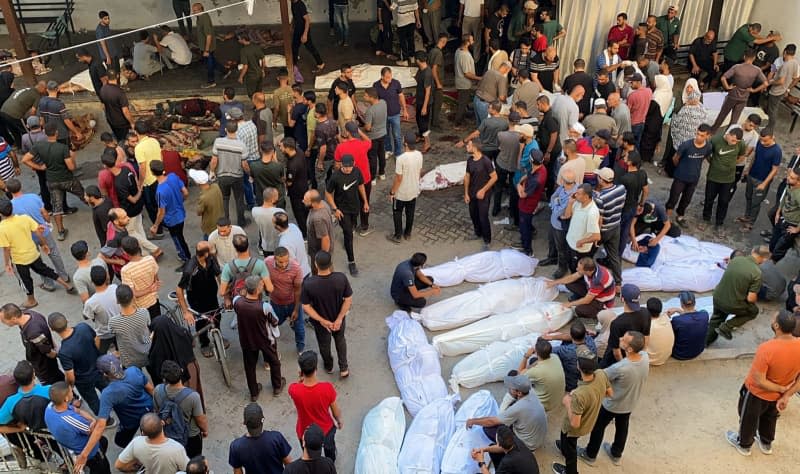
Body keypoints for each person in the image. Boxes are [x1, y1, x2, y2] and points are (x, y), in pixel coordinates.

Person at [726, 311, 800, 456]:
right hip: (778, 395)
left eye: (773, 319)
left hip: (756, 394)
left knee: (748, 418)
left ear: (777, 326)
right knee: (770, 417)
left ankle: (744, 445)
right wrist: (785, 394)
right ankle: (766, 443)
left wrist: (780, 389)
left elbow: (759, 380)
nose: (771, 320)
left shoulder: (766, 349)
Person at [580, 331, 649, 467]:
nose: (620, 338)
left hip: (612, 404)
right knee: (622, 427)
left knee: (598, 427)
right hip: (630, 402)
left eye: (624, 339)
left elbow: (599, 376)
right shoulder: (645, 357)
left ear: (629, 349)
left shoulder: (620, 368)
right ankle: (616, 453)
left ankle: (590, 454)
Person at [0, 202, 75, 308]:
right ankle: (67, 285)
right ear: (12, 209)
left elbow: (6, 249)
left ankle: (31, 300)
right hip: (33, 253)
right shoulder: (24, 218)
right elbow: (38, 232)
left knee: (26, 280)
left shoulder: (2, 228)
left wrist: (7, 263)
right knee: (45, 269)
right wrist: (44, 244)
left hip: (19, 259)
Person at [19, 122, 85, 241]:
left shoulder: (39, 146)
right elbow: (71, 167)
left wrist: (39, 167)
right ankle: (98, 207)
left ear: (45, 132)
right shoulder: (62, 148)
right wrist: (73, 159)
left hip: (52, 181)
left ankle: (60, 231)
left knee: (56, 207)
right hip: (67, 179)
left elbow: (24, 159)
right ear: (56, 133)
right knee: (83, 195)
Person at [466, 372, 547, 463]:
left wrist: (472, 421)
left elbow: (491, 421)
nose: (509, 389)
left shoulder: (519, 407)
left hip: (528, 445)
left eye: (512, 388)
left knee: (488, 428)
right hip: (538, 438)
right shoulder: (530, 391)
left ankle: (507, 450)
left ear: (519, 393)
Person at [552, 350, 611, 474]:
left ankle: (570, 471)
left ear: (578, 366)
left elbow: (574, 424)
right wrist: (595, 396)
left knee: (570, 447)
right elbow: (610, 393)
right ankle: (564, 448)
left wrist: (568, 402)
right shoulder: (601, 374)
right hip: (591, 419)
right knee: (565, 440)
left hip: (574, 429)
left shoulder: (580, 395)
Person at [8, 178, 69, 292]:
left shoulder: (10, 206)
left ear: (8, 190)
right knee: (53, 253)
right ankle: (64, 276)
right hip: (43, 231)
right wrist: (48, 223)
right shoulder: (34, 197)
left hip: (27, 237)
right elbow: (45, 213)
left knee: (38, 261)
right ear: (20, 186)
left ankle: (48, 283)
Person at [301, 251, 352, 377]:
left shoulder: (309, 283)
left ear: (316, 264)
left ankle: (329, 366)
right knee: (340, 340)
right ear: (330, 264)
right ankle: (344, 368)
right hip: (338, 319)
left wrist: (322, 320)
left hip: (321, 323)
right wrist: (339, 318)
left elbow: (306, 306)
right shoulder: (341, 278)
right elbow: (348, 299)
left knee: (324, 344)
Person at [233, 275, 284, 401]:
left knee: (249, 367)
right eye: (261, 285)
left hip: (246, 340)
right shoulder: (264, 307)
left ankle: (254, 393)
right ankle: (277, 386)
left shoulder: (237, 302)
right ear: (257, 290)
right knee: (274, 362)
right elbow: (275, 321)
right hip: (265, 340)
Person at [707, 246, 770, 345]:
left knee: (716, 318)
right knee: (753, 311)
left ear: (753, 250)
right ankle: (727, 327)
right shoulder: (756, 272)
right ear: (764, 259)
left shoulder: (736, 260)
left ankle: (706, 342)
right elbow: (750, 298)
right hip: (732, 304)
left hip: (717, 296)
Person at [44, 382, 111, 474]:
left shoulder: (50, 408)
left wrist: (92, 420)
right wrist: (94, 422)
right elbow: (93, 431)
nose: (73, 392)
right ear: (66, 398)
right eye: (71, 391)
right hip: (89, 453)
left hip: (70, 447)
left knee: (103, 441)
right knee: (103, 469)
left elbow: (77, 410)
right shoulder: (72, 420)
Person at [288, 351, 343, 460]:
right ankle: (330, 461)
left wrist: (301, 379)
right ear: (316, 369)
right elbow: (335, 411)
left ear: (301, 371)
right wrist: (339, 420)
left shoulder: (294, 389)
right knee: (329, 447)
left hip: (305, 430)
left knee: (308, 451)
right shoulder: (327, 388)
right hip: (325, 428)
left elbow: (297, 386)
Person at [91, 353, 154, 449]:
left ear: (104, 374)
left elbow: (101, 425)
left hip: (130, 421)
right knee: (148, 432)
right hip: (148, 408)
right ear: (119, 364)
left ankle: (136, 454)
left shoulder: (108, 393)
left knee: (120, 441)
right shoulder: (134, 370)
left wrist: (84, 454)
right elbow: (151, 389)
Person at [47, 314, 104, 416]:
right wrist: (95, 354)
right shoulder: (83, 327)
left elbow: (70, 375)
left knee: (93, 400)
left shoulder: (64, 352)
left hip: (83, 381)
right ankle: (115, 405)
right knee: (107, 389)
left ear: (52, 329)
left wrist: (69, 386)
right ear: (67, 320)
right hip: (99, 369)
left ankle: (106, 419)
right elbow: (97, 339)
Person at [153, 361, 207, 458]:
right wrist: (205, 430)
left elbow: (157, 411)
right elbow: (200, 419)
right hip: (191, 436)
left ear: (164, 379)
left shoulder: (157, 390)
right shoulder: (193, 396)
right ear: (181, 371)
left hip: (169, 435)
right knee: (194, 460)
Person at [176, 241, 221, 357]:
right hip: (197, 300)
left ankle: (218, 336)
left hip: (212, 295)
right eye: (211, 249)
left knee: (217, 316)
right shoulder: (189, 269)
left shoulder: (211, 259)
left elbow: (218, 275)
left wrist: (225, 292)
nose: (214, 250)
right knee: (201, 322)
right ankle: (204, 343)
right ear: (205, 253)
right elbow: (179, 290)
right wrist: (186, 311)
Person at [325, 154, 368, 276]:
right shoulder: (335, 177)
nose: (348, 169)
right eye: (345, 167)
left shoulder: (357, 171)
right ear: (341, 165)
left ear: (354, 164)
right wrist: (335, 209)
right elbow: (328, 193)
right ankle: (351, 262)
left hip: (355, 207)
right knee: (348, 233)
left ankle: (348, 235)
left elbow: (361, 185)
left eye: (349, 167)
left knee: (351, 228)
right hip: (342, 210)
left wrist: (365, 202)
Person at [0, 305, 63, 385]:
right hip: (43, 363)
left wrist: (56, 354)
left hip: (44, 367)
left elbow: (48, 351)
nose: (2, 322)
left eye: (3, 320)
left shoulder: (33, 333)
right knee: (58, 377)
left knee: (53, 383)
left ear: (14, 319)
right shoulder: (31, 313)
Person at [711, 49, 768, 132]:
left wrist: (727, 87)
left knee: (723, 114)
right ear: (754, 58)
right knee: (735, 118)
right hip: (744, 96)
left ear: (744, 57)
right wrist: (754, 90)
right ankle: (729, 133)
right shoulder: (757, 70)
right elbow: (766, 83)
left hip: (733, 94)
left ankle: (713, 130)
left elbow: (723, 78)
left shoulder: (737, 67)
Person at [667, 124, 713, 225]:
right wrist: (681, 168)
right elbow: (675, 159)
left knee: (686, 199)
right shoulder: (686, 145)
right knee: (673, 198)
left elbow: (706, 157)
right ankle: (667, 218)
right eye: (697, 134)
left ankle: (680, 216)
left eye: (702, 135)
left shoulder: (708, 147)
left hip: (694, 178)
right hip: (680, 177)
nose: (698, 137)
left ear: (708, 136)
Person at [701, 128, 746, 230]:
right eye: (733, 140)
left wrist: (734, 164)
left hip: (728, 179)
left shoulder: (741, 144)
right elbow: (707, 153)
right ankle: (706, 219)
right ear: (729, 135)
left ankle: (719, 223)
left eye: (737, 141)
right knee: (709, 199)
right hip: (713, 176)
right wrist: (713, 163)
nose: (734, 143)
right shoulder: (716, 139)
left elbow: (742, 156)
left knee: (724, 201)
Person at [115, 412, 189, 474]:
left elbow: (119, 465)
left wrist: (135, 470)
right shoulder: (176, 448)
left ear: (143, 432)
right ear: (162, 423)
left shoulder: (136, 442)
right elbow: (187, 468)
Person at [229, 402, 293, 472]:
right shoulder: (276, 438)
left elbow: (237, 472)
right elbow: (289, 464)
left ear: (244, 423)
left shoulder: (236, 447)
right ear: (263, 420)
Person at [738, 129, 782, 230]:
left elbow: (774, 170)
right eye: (761, 140)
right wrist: (748, 170)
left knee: (755, 202)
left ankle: (750, 223)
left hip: (762, 180)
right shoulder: (759, 143)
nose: (763, 143)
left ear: (772, 137)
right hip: (752, 175)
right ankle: (746, 216)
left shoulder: (776, 151)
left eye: (765, 141)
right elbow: (755, 156)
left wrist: (764, 183)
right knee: (748, 197)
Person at [600, 284, 650, 369]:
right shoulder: (645, 312)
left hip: (619, 358)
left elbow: (616, 351)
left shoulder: (616, 323)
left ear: (622, 299)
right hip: (635, 351)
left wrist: (624, 366)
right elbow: (646, 338)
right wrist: (640, 356)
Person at [266, 246, 306, 353]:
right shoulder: (267, 262)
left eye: (286, 261)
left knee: (299, 328)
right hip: (275, 303)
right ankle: (271, 349)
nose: (283, 265)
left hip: (292, 303)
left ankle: (300, 348)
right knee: (272, 326)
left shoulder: (296, 268)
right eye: (280, 262)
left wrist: (297, 309)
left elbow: (298, 290)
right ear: (274, 259)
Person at [150, 161, 190, 266]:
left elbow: (161, 212)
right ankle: (184, 255)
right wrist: (180, 201)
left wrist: (155, 225)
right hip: (181, 213)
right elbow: (185, 192)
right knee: (180, 236)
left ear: (152, 173)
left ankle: (186, 258)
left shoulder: (160, 192)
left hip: (172, 219)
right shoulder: (173, 176)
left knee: (178, 238)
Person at [548, 257, 615, 320]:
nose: (577, 269)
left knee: (579, 310)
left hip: (601, 302)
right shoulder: (592, 268)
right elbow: (572, 277)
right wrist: (554, 283)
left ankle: (598, 314)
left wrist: (568, 304)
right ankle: (581, 298)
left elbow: (587, 300)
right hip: (592, 291)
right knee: (569, 283)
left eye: (579, 269)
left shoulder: (598, 280)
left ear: (588, 271)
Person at [463, 138, 498, 251]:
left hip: (484, 194)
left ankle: (487, 240)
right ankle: (477, 233)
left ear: (475, 147)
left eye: (468, 145)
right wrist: (466, 193)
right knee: (473, 214)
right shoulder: (470, 160)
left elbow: (494, 177)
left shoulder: (486, 161)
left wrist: (483, 190)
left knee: (483, 217)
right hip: (472, 193)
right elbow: (467, 176)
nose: (466, 147)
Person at [210, 121, 248, 227]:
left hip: (222, 176)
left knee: (224, 199)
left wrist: (212, 171)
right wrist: (250, 174)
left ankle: (225, 222)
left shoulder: (218, 142)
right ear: (237, 130)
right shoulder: (242, 145)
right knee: (239, 200)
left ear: (226, 130)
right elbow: (244, 164)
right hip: (237, 177)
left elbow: (214, 160)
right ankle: (241, 222)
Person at [594, 167, 626, 286]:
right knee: (614, 256)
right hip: (616, 226)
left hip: (604, 230)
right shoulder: (621, 189)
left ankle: (589, 280)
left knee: (589, 253)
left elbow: (599, 219)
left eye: (598, 177)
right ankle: (618, 283)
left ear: (602, 180)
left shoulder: (600, 198)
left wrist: (596, 235)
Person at [109, 283, 152, 369]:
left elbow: (111, 333)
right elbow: (149, 325)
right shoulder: (144, 312)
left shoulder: (113, 322)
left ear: (117, 301)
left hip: (129, 360)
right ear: (133, 297)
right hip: (147, 353)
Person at [133, 120, 164, 239]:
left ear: (136, 132)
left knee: (151, 207)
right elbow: (161, 157)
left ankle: (158, 230)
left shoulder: (139, 148)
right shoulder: (154, 141)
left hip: (149, 182)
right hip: (158, 177)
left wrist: (140, 184)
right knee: (160, 203)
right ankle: (163, 223)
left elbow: (142, 168)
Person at [518, 338, 566, 413]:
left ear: (536, 353)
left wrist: (526, 356)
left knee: (516, 381)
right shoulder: (555, 357)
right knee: (533, 361)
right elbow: (537, 363)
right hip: (558, 399)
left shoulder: (536, 372)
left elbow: (519, 374)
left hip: (545, 406)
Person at [119, 236, 161, 319]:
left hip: (140, 307)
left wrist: (148, 290)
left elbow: (133, 294)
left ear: (125, 253)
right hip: (154, 300)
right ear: (138, 245)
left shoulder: (126, 270)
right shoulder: (150, 259)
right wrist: (151, 289)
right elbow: (156, 279)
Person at [516, 150, 547, 256]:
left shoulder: (536, 180)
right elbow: (529, 174)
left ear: (531, 161)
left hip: (527, 205)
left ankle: (528, 250)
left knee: (524, 227)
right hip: (530, 202)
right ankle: (530, 232)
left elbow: (523, 194)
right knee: (526, 223)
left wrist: (519, 185)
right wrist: (525, 178)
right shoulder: (541, 168)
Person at [83, 265, 118, 354]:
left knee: (100, 354)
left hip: (104, 332)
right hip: (120, 327)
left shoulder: (91, 302)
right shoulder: (115, 288)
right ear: (107, 277)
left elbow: (86, 316)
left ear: (92, 281)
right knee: (121, 349)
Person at [374, 67, 408, 157]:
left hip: (395, 114)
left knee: (397, 135)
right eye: (387, 77)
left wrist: (405, 110)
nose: (389, 79)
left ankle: (398, 153)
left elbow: (401, 96)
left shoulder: (396, 83)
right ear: (382, 77)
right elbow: (374, 100)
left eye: (390, 76)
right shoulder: (376, 85)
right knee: (385, 134)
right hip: (383, 115)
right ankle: (388, 150)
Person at [766, 44, 800, 133]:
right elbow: (772, 71)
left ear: (785, 52)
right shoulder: (792, 62)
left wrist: (770, 82)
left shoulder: (786, 65)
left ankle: (770, 128)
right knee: (772, 107)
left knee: (772, 110)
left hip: (777, 90)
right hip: (782, 90)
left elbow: (781, 81)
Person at [666, 291, 709, 361]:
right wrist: (679, 311)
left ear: (681, 304)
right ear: (695, 303)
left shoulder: (677, 320)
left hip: (680, 354)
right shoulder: (705, 315)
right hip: (699, 351)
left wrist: (667, 315)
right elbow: (691, 317)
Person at [770, 166, 800, 263]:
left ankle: (773, 264)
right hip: (782, 218)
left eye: (792, 178)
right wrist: (778, 212)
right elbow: (784, 199)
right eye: (789, 176)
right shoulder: (789, 185)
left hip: (791, 225)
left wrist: (797, 229)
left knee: (779, 248)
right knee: (773, 243)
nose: (788, 178)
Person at [97, 71, 134, 142]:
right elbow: (125, 111)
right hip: (121, 122)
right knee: (125, 140)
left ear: (107, 77)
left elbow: (103, 106)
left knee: (118, 138)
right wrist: (132, 122)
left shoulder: (102, 89)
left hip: (111, 120)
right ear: (117, 76)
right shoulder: (120, 92)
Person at [454, 34, 481, 128]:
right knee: (462, 104)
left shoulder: (458, 50)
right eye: (472, 40)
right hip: (464, 84)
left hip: (460, 82)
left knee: (463, 102)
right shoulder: (464, 55)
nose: (473, 41)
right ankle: (457, 123)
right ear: (467, 42)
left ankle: (461, 119)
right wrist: (479, 78)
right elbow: (467, 73)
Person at [291, 0, 324, 72]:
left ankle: (320, 63)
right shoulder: (293, 3)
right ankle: (294, 64)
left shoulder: (300, 4)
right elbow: (295, 16)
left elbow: (307, 20)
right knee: (294, 47)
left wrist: (305, 34)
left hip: (303, 30)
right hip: (297, 29)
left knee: (310, 47)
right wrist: (292, 25)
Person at [188, 169, 222, 240]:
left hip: (210, 226)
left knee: (208, 244)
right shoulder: (216, 186)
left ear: (197, 183)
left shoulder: (203, 198)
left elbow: (199, 212)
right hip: (220, 220)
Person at [253, 187, 286, 258]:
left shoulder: (255, 211)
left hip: (265, 246)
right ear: (272, 199)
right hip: (279, 244)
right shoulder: (280, 212)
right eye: (277, 196)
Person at [191, 3, 219, 88]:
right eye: (193, 10)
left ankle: (211, 81)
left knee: (209, 64)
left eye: (195, 10)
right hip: (204, 46)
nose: (193, 12)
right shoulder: (199, 18)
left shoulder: (204, 18)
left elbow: (209, 35)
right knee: (212, 61)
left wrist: (206, 50)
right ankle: (225, 71)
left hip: (208, 47)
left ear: (201, 9)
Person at [644, 298, 674, 366]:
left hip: (650, 360)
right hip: (665, 357)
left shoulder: (647, 326)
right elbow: (665, 314)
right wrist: (677, 309)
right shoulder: (665, 318)